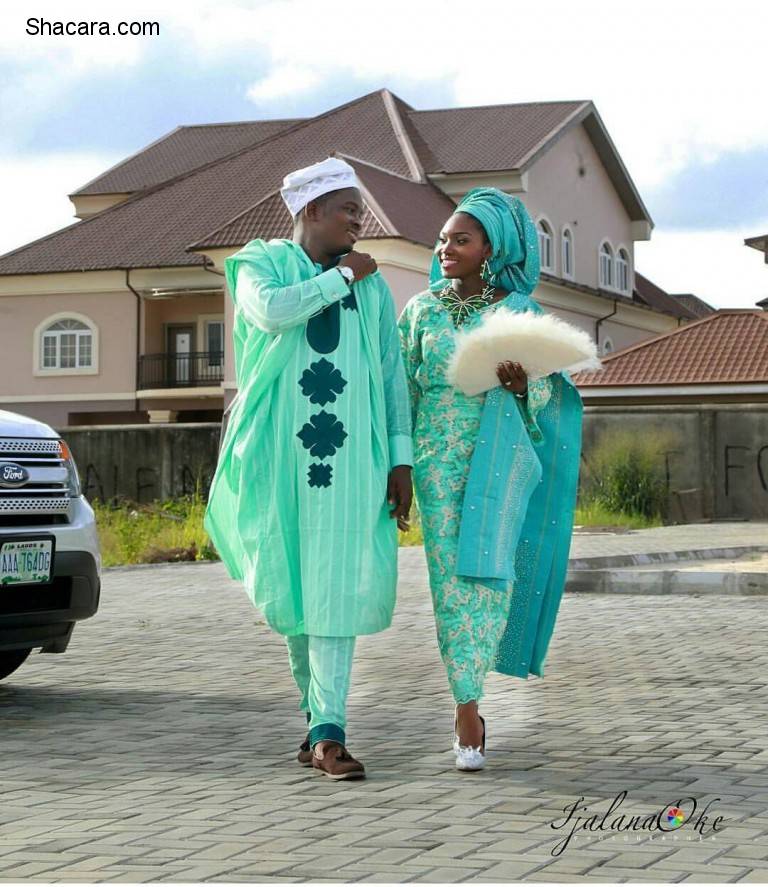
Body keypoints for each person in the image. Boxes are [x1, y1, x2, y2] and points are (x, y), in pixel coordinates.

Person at [205, 157, 413, 780]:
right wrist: (342, 276)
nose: (359, 221)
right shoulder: (259, 264)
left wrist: (400, 459)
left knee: (335, 584)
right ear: (311, 211)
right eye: (350, 209)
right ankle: (314, 721)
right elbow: (271, 311)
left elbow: (388, 374)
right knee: (297, 586)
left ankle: (329, 731)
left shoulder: (373, 288)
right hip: (276, 453)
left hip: (354, 458)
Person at [398, 187, 582, 771]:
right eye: (444, 238)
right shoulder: (420, 310)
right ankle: (467, 707)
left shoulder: (519, 315)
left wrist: (522, 385)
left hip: (498, 463)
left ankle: (473, 689)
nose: (446, 247)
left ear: (490, 249)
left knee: (489, 580)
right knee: (452, 583)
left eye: (461, 239)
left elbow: (550, 394)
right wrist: (397, 466)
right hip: (436, 465)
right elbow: (401, 391)